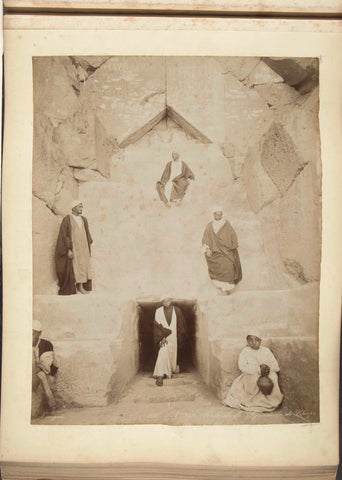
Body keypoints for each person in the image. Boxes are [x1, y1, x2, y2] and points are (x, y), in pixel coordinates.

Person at [222, 330, 283, 412]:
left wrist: (267, 368)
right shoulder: (245, 352)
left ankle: (270, 401)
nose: (254, 342)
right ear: (247, 341)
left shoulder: (266, 351)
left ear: (260, 341)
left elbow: (276, 366)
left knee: (273, 376)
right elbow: (242, 367)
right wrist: (257, 370)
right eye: (251, 340)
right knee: (252, 378)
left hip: (266, 373)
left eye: (257, 340)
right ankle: (251, 401)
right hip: (251, 373)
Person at [55, 200, 93, 295]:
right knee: (76, 267)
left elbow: (87, 233)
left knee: (84, 266)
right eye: (79, 207)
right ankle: (77, 287)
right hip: (74, 247)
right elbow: (64, 235)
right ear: (73, 208)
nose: (81, 209)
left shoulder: (83, 219)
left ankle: (82, 286)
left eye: (82, 207)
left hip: (83, 247)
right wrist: (68, 249)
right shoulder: (67, 219)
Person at [202, 206, 242, 294]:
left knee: (229, 267)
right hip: (216, 253)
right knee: (218, 269)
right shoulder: (209, 226)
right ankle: (222, 289)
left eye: (220, 214)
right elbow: (205, 238)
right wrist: (207, 249)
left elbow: (233, 235)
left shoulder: (226, 224)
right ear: (213, 215)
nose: (219, 216)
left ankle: (227, 289)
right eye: (217, 214)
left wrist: (233, 245)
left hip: (227, 251)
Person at [153, 298, 188, 386]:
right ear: (162, 301)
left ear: (171, 301)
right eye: (165, 300)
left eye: (169, 300)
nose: (167, 302)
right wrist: (161, 338)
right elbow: (157, 326)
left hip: (174, 337)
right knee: (162, 352)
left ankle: (168, 371)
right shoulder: (158, 311)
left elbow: (181, 325)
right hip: (163, 338)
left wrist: (180, 338)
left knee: (172, 356)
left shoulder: (177, 310)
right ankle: (160, 375)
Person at [32, 320, 59, 411]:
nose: (30, 336)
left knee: (42, 375)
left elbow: (45, 366)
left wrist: (36, 368)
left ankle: (52, 403)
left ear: (39, 333)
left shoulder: (46, 345)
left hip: (49, 373)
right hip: (36, 373)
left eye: (33, 333)